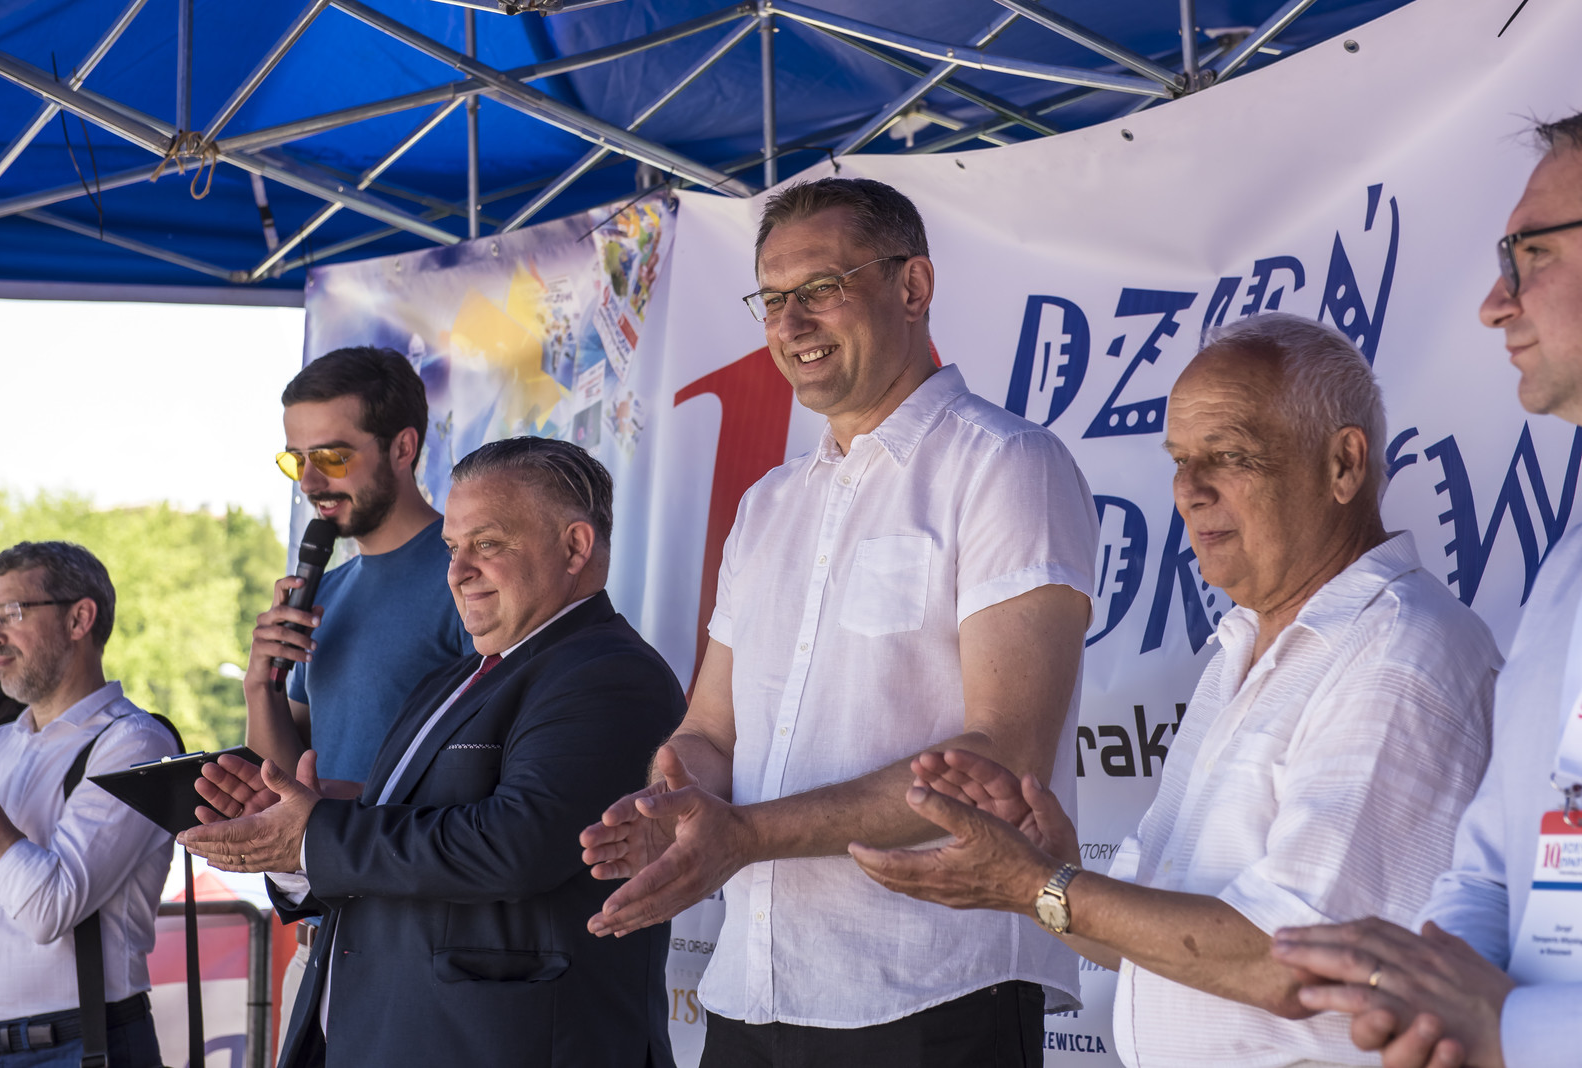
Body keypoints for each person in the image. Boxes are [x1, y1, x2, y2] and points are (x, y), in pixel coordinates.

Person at [850, 312, 1503, 1068]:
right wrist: (1051, 871)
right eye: (1181, 460)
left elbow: (1293, 962)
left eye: (1227, 456)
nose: (1189, 490)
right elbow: (1150, 946)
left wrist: (1040, 884)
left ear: (1343, 465)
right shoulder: (1244, 647)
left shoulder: (1399, 650)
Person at [581, 177, 1100, 1066]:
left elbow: (1004, 755)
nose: (790, 322)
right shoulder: (769, 503)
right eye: (772, 299)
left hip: (933, 987)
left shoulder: (1006, 464)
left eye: (821, 287)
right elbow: (712, 730)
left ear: (912, 286)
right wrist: (678, 795)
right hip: (751, 987)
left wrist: (746, 834)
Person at [179, 437, 685, 1068]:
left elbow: (515, 845)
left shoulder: (611, 673)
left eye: (487, 544)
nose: (458, 570)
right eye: (452, 547)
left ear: (575, 547)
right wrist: (291, 830)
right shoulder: (451, 680)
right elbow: (394, 851)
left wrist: (314, 837)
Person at [1270, 112, 1582, 1068]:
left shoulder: (1408, 636)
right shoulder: (1566, 568)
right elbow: (1492, 864)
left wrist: (1512, 1029)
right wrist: (1430, 991)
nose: (1495, 303)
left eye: (1531, 253)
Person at [247, 346, 476, 1042]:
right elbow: (284, 781)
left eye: (332, 456)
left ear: (403, 447)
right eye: (295, 459)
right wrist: (260, 684)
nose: (310, 480)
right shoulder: (329, 590)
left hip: (420, 947)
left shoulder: (467, 578)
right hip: (320, 942)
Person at [0, 541, 178, 1066]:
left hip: (85, 1046)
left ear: (79, 619)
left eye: (10, 614)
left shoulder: (134, 743)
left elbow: (49, 909)